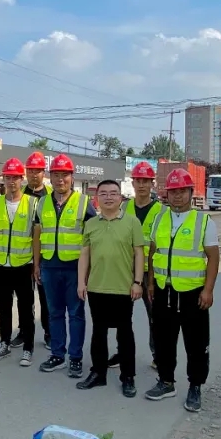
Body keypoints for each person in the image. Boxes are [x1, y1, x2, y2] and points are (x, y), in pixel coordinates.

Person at [145, 168, 220, 412]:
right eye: (173, 192)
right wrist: (150, 282)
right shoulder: (159, 219)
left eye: (182, 191)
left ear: (190, 192)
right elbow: (153, 252)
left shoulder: (203, 221)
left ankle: (195, 386)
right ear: (167, 194)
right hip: (163, 290)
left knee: (196, 344)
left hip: (192, 294)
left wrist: (208, 290)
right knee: (163, 340)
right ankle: (166, 381)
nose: (177, 196)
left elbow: (213, 257)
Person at [76, 179, 146, 397]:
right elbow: (85, 254)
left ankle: (128, 377)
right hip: (97, 287)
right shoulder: (91, 224)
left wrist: (137, 282)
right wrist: (81, 282)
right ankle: (98, 373)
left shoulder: (132, 222)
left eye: (113, 193)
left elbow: (139, 253)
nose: (108, 197)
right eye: (103, 193)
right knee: (98, 332)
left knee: (125, 334)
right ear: (97, 198)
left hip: (123, 288)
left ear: (120, 197)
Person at [33, 154, 96, 378]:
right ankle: (57, 355)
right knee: (54, 313)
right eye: (56, 175)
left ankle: (76, 358)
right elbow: (38, 236)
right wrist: (37, 265)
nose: (60, 179)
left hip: (74, 269)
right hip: (50, 266)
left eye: (65, 175)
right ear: (50, 177)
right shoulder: (42, 202)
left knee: (76, 314)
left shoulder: (84, 203)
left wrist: (87, 273)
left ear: (72, 177)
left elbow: (91, 239)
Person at [109, 161, 163, 372]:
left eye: (145, 181)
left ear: (152, 183)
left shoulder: (161, 211)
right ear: (133, 182)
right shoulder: (124, 207)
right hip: (126, 268)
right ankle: (123, 353)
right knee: (122, 316)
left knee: (155, 317)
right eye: (138, 180)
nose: (141, 185)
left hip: (151, 272)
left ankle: (158, 355)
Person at [0, 157, 37, 366]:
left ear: (22, 179)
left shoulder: (32, 203)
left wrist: (36, 264)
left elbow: (36, 236)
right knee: (4, 307)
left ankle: (28, 348)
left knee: (26, 308)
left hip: (23, 263)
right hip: (1, 263)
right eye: (8, 177)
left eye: (15, 177)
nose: (11, 182)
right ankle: (5, 343)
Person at [22, 151, 51, 350]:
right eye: (30, 170)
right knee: (25, 298)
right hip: (22, 255)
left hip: (45, 256)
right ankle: (24, 332)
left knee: (45, 298)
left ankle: (49, 333)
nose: (34, 174)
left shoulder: (50, 195)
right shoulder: (19, 194)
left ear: (43, 172)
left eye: (37, 170)